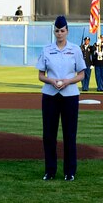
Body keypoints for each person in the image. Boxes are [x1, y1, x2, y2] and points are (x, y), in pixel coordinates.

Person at [36, 16, 85, 182]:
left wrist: (68, 81)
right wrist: (51, 80)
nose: (59, 34)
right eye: (57, 31)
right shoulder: (47, 49)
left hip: (70, 95)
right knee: (49, 135)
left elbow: (82, 74)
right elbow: (41, 75)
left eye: (62, 30)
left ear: (67, 31)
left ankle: (69, 171)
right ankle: (50, 170)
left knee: (69, 134)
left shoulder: (75, 50)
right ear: (54, 31)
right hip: (50, 95)